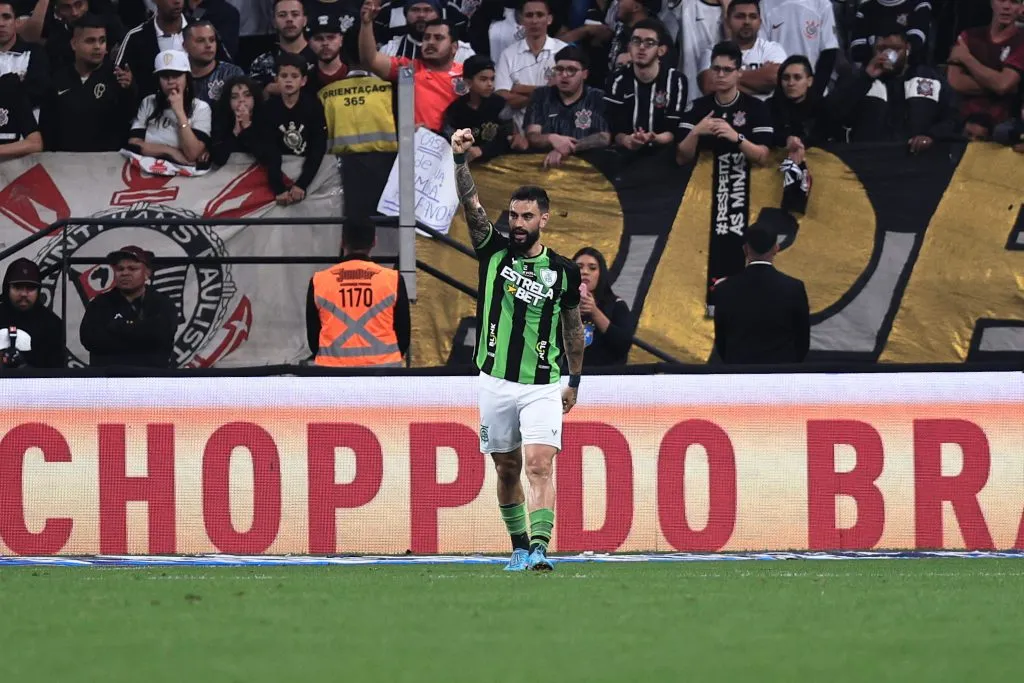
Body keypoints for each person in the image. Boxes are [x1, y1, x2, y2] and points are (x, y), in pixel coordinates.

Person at [450, 127, 587, 572]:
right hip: (494, 381)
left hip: (542, 384)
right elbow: (471, 207)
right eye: (513, 216)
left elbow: (572, 327)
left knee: (539, 463)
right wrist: (459, 161)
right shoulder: (492, 251)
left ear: (543, 220)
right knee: (507, 469)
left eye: (527, 217)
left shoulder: (563, 272)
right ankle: (520, 546)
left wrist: (575, 380)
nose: (517, 224)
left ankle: (543, 550)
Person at [305, 217, 410, 367]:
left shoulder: (319, 281)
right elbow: (404, 334)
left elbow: (313, 339)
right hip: (384, 372)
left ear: (342, 242)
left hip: (332, 372)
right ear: (374, 242)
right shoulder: (393, 279)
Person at [829, 25, 956, 149]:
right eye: (881, 49)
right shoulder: (858, 79)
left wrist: (932, 135)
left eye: (896, 49)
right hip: (870, 162)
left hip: (918, 162)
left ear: (908, 48)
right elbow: (831, 114)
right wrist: (866, 78)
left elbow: (953, 117)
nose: (887, 54)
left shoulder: (931, 79)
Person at [712, 218, 810, 364]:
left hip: (739, 372)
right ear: (776, 248)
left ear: (745, 249)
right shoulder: (794, 288)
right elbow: (802, 340)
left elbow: (721, 341)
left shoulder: (724, 289)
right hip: (781, 373)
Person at [359, 0, 464, 133]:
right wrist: (366, 24)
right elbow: (370, 60)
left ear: (454, 47)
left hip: (457, 145)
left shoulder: (466, 74)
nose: (430, 42)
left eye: (438, 38)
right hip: (417, 146)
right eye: (426, 38)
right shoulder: (408, 69)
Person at [41, 14, 137, 152]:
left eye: (102, 41)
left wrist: (129, 90)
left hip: (107, 163)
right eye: (90, 41)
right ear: (74, 44)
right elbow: (47, 127)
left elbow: (128, 119)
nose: (98, 47)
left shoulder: (117, 78)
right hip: (63, 163)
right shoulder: (58, 79)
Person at [676, 41, 773, 166]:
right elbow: (681, 158)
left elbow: (762, 157)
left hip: (743, 179)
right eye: (716, 69)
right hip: (703, 181)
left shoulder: (757, 107)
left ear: (739, 72)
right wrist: (695, 132)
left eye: (727, 70)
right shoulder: (696, 107)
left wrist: (737, 138)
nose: (721, 75)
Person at [80, 245, 178, 368]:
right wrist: (141, 332)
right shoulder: (99, 303)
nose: (125, 273)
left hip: (152, 379)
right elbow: (90, 340)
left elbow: (161, 336)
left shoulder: (162, 303)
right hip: (108, 379)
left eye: (132, 268)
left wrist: (117, 327)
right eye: (120, 269)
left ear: (147, 273)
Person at [604, 17, 687, 152]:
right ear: (629, 46)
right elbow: (614, 128)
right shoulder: (616, 79)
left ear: (661, 50)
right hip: (624, 152)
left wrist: (654, 138)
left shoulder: (676, 80)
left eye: (649, 42)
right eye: (636, 41)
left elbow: (673, 129)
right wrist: (626, 140)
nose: (641, 47)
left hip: (661, 153)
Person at [524, 45, 610, 167]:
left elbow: (603, 137)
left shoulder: (596, 97)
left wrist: (567, 147)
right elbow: (532, 136)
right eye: (559, 69)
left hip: (587, 169)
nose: (564, 75)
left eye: (571, 70)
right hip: (545, 166)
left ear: (585, 74)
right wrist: (551, 138)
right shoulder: (541, 95)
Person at [127, 49, 212, 169]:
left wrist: (179, 112)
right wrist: (171, 152)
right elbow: (134, 143)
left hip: (184, 176)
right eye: (165, 76)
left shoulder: (201, 108)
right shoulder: (148, 102)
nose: (171, 81)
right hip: (147, 169)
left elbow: (193, 154)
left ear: (186, 78)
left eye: (176, 75)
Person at [261, 51, 327, 206]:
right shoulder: (268, 109)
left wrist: (302, 184)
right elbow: (270, 151)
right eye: (284, 76)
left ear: (303, 80)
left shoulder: (314, 106)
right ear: (276, 79)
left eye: (294, 76)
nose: (289, 80)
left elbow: (318, 147)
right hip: (280, 176)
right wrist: (278, 187)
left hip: (308, 177)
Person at [947, 0, 1024, 129]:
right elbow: (955, 82)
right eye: (1001, 0)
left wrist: (967, 58)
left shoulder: (1021, 40)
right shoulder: (968, 36)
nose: (1006, 7)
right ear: (991, 2)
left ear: (1022, 7)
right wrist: (1000, 86)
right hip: (961, 120)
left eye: (1014, 2)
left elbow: (1002, 85)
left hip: (1001, 125)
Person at [494, 0, 566, 136]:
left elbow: (567, 93)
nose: (534, 21)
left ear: (549, 19)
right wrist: (546, 91)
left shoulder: (563, 51)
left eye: (539, 15)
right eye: (529, 15)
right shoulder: (508, 54)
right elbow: (502, 97)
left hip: (558, 132)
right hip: (519, 134)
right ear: (521, 20)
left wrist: (517, 88)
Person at [210, 75, 286, 198]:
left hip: (258, 184)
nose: (241, 100)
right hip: (226, 183)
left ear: (254, 98)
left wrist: (247, 128)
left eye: (247, 95)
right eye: (235, 97)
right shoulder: (221, 119)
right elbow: (218, 158)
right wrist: (235, 133)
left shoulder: (266, 117)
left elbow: (267, 157)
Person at [699, 0, 786, 100]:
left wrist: (725, 83)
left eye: (752, 17)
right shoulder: (712, 51)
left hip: (764, 113)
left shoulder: (772, 49)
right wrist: (761, 83)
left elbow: (775, 78)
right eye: (740, 16)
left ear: (760, 22)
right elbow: (709, 86)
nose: (747, 22)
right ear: (727, 21)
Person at [758, 0, 838, 99]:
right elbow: (762, 49)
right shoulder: (765, 4)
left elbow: (829, 51)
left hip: (812, 91)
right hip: (775, 93)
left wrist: (815, 94)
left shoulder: (822, 4)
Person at [17, 0, 125, 71]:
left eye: (79, 4)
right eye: (66, 7)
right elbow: (29, 38)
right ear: (58, 10)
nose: (74, 12)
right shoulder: (55, 34)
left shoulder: (108, 22)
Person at [443, 54, 513, 163]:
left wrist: (482, 150)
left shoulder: (500, 105)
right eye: (483, 79)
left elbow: (508, 138)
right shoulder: (455, 110)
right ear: (468, 82)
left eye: (492, 79)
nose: (490, 84)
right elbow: (449, 138)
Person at [0, 258, 65, 369]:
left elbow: (55, 372)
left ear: (39, 290)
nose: (24, 294)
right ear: (7, 288)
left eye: (30, 288)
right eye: (18, 287)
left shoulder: (52, 324)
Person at [572, 246, 632, 366]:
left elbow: (622, 345)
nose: (585, 272)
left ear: (601, 274)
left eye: (592, 268)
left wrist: (595, 312)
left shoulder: (617, 305)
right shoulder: (558, 304)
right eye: (579, 267)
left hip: (604, 378)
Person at [116, 0, 188, 97]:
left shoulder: (201, 31)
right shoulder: (136, 37)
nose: (177, 1)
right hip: (150, 109)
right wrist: (132, 85)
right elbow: (118, 76)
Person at [248, 0, 318, 94]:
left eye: (295, 14)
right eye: (282, 15)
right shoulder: (262, 63)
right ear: (274, 22)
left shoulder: (320, 58)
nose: (289, 19)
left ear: (305, 20)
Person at [378, 0, 474, 61]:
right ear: (405, 15)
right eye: (415, 10)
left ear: (439, 15)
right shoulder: (388, 51)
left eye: (428, 10)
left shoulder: (463, 52)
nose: (421, 15)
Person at [850, 0, 931, 67]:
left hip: (911, 73)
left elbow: (916, 40)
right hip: (873, 73)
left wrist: (892, 56)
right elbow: (857, 49)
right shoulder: (865, 9)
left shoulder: (920, 5)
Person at [0, 0, 50, 107]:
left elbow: (38, 93)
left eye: (6, 17)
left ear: (16, 22)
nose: (1, 23)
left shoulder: (35, 53)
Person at [185, 18, 243, 104]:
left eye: (212, 40)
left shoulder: (232, 74)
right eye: (200, 41)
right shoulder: (178, 77)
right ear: (185, 45)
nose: (208, 45)